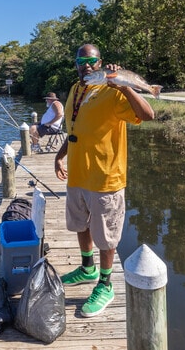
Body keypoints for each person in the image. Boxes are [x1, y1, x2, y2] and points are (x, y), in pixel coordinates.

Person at [54, 43, 155, 317]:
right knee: (80, 224)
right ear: (75, 64)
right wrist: (59, 156)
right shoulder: (76, 90)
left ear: (100, 63)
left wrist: (124, 87)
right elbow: (74, 130)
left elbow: (148, 115)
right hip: (77, 174)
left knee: (106, 237)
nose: (86, 64)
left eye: (91, 60)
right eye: (80, 60)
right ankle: (88, 269)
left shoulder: (113, 91)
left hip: (105, 178)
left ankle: (106, 284)